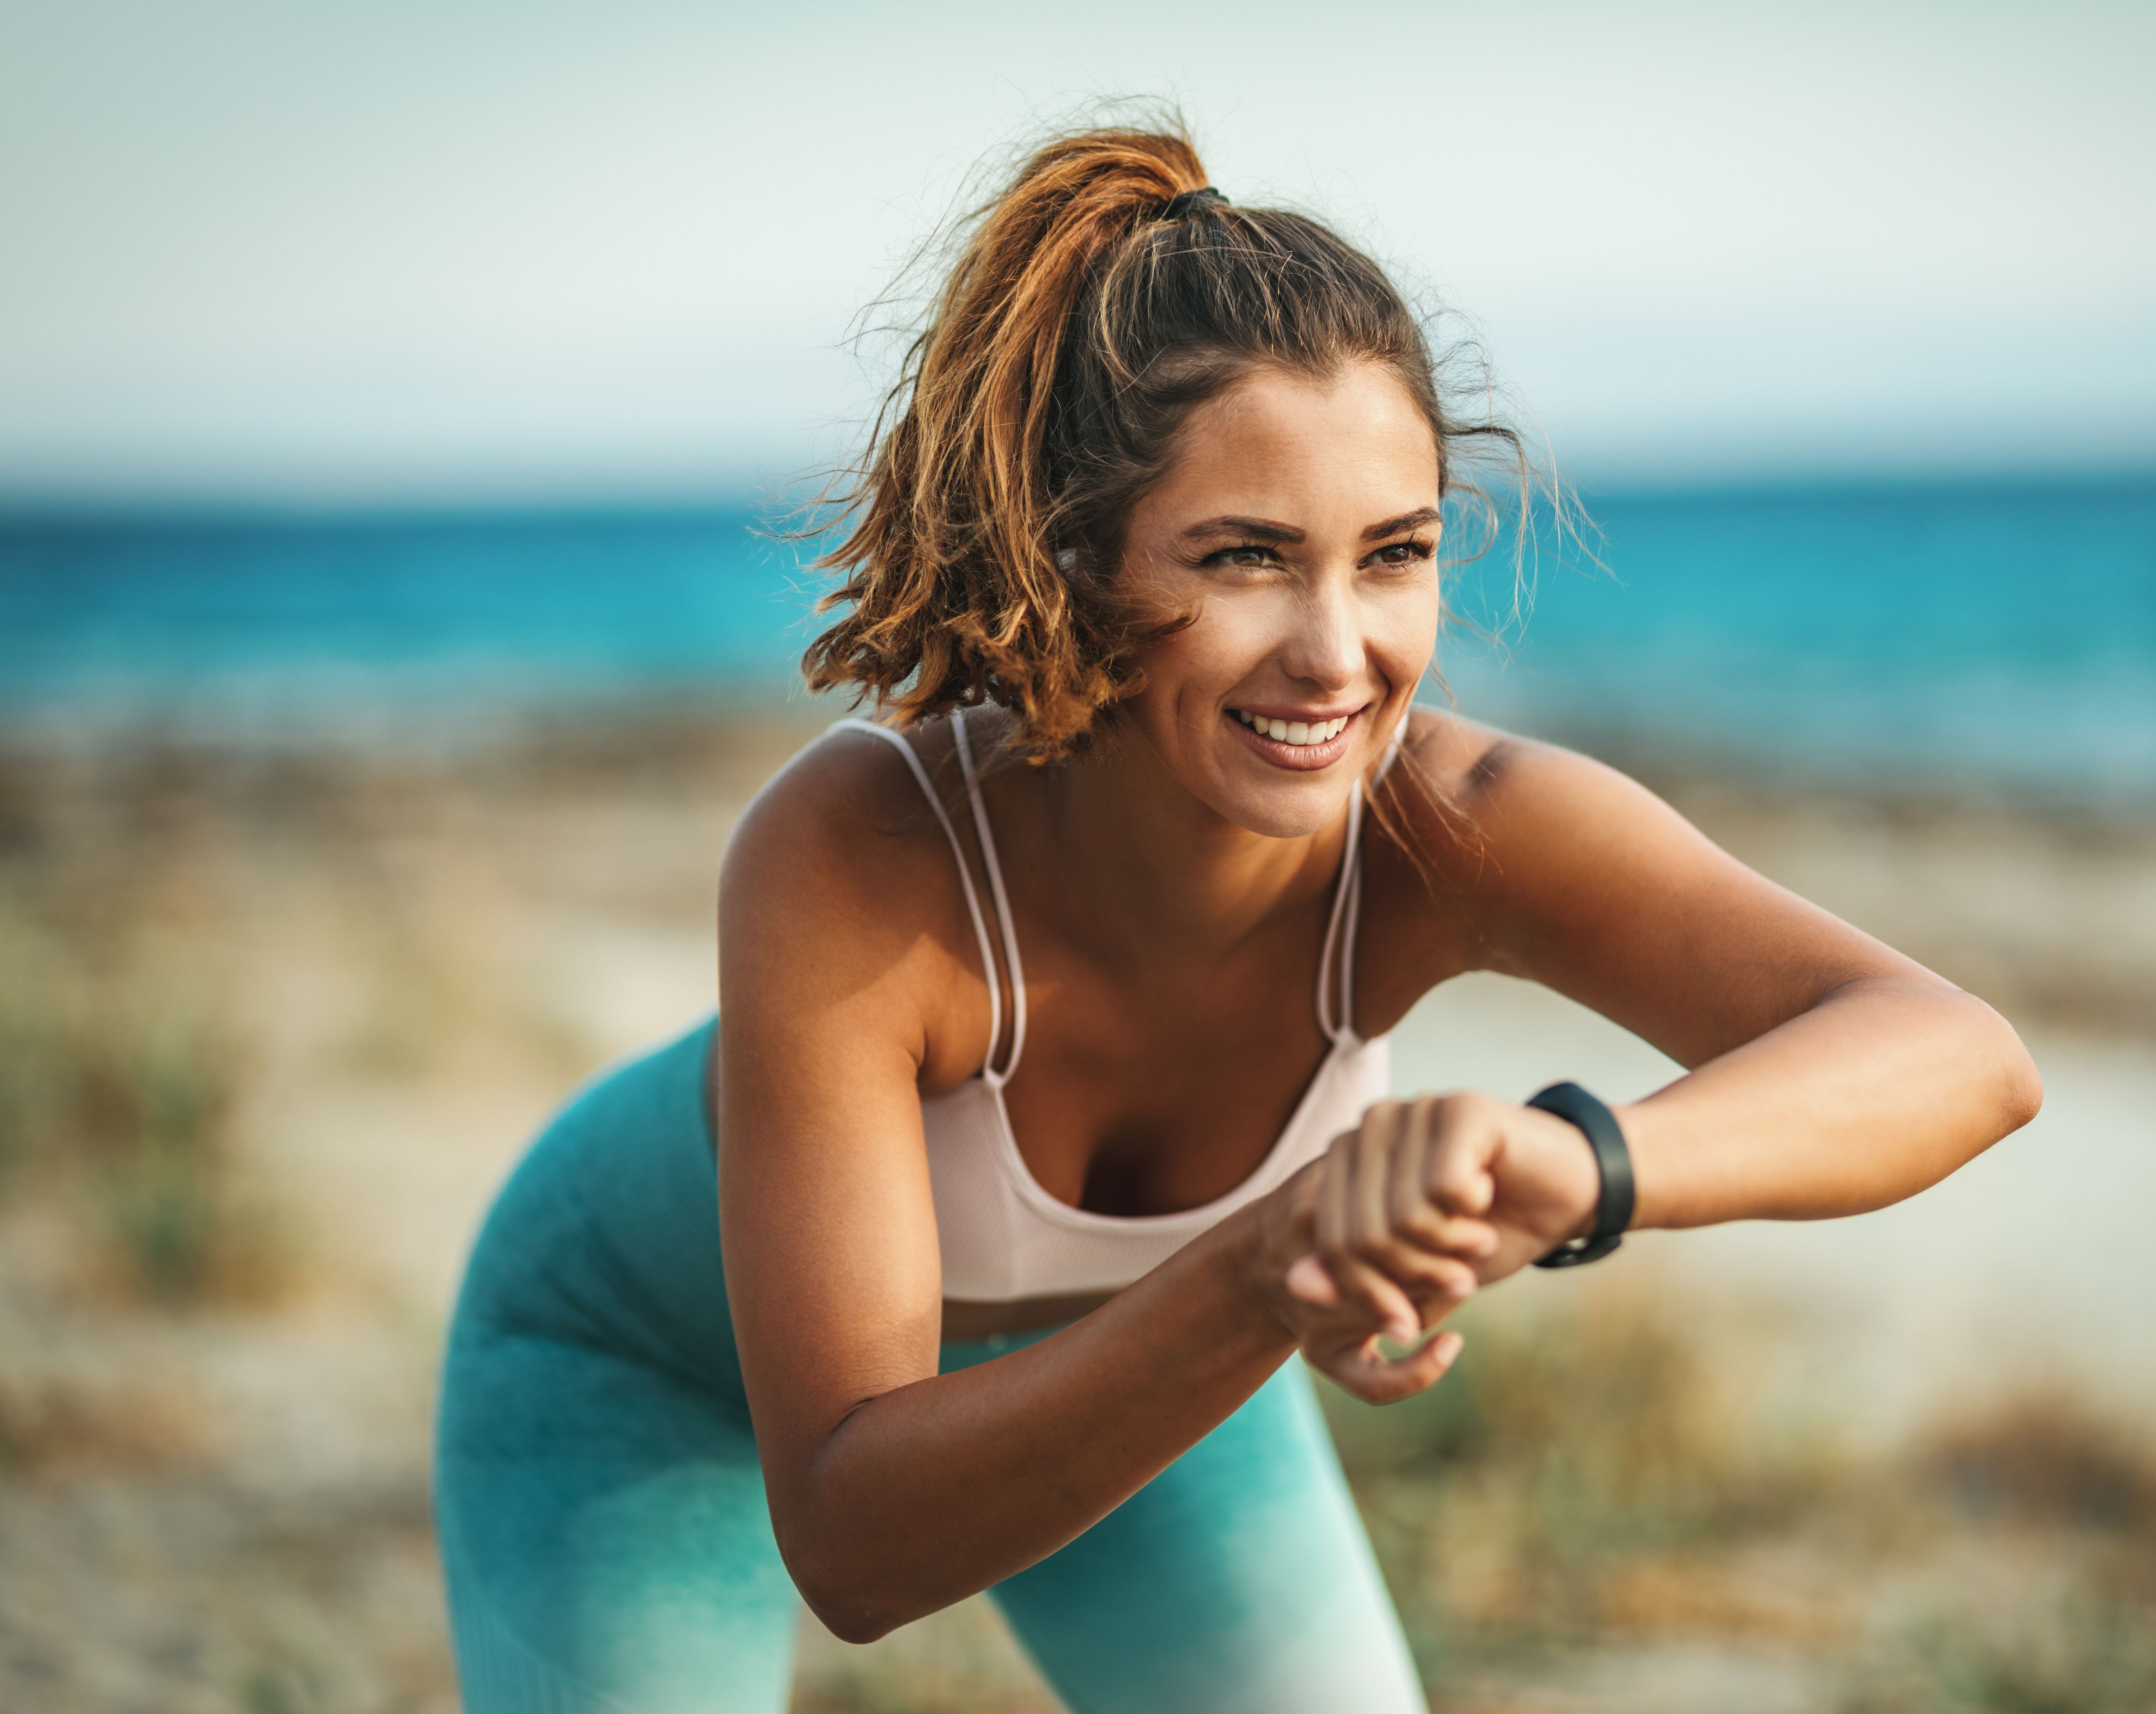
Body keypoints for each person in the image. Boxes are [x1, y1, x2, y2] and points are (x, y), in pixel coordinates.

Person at [433, 121, 2043, 1714]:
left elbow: (1958, 1057)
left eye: (1394, 556)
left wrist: (1577, 1169)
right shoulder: (861, 854)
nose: (1338, 655)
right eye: (1249, 559)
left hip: (1164, 1356)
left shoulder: (1448, 828)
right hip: (633, 1367)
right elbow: (855, 1545)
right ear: (1075, 558)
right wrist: (1266, 1274)